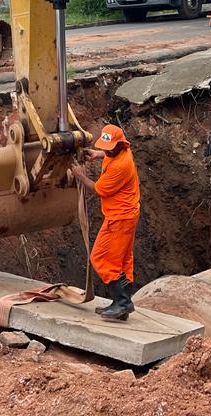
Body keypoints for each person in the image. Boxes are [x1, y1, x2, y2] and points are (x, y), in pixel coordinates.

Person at [71, 124, 140, 321]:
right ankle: (122, 305)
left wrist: (79, 175)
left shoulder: (120, 166)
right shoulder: (122, 151)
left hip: (119, 219)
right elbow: (110, 153)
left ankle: (123, 302)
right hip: (127, 215)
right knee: (122, 261)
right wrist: (97, 154)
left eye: (110, 148)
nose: (107, 150)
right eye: (105, 147)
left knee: (100, 258)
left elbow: (98, 189)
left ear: (120, 144)